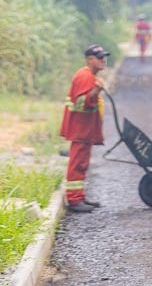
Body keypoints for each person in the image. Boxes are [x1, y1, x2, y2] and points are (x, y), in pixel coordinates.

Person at [60, 44, 110, 213]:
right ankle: (74, 200)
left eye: (104, 57)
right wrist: (96, 89)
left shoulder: (90, 75)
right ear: (89, 59)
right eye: (100, 57)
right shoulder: (84, 76)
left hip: (85, 130)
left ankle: (79, 196)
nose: (104, 60)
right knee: (77, 164)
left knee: (82, 164)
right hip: (80, 130)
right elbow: (80, 103)